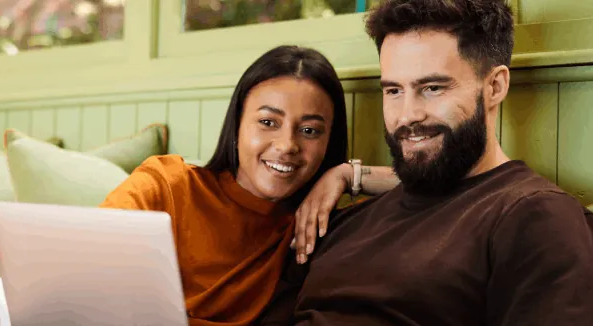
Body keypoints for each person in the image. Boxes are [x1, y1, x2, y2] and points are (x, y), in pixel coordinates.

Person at [268, 0, 593, 324]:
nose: (408, 115)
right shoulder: (348, 221)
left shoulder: (537, 218)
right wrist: (348, 175)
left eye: (433, 88)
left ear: (495, 87)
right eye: (394, 90)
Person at [98, 45, 395, 326]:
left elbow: (424, 186)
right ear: (237, 125)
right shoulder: (167, 186)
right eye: (268, 122)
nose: (287, 145)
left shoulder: (317, 227)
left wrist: (347, 175)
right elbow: (88, 267)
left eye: (309, 130)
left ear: (329, 141)